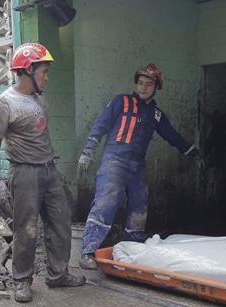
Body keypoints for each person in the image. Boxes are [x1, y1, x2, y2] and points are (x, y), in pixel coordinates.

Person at [0, 42, 85, 303]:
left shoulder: (40, 97)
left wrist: (52, 168)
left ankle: (57, 274)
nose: (47, 77)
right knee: (26, 228)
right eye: (43, 71)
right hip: (24, 174)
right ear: (28, 70)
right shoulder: (5, 102)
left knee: (61, 221)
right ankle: (21, 280)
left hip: (48, 170)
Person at [76, 63, 200, 270]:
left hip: (137, 166)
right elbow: (100, 124)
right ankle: (87, 252)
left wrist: (193, 151)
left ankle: (131, 252)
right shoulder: (120, 101)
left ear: (156, 87)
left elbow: (172, 136)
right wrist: (88, 150)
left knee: (139, 209)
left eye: (149, 84)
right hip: (114, 160)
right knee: (105, 204)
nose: (143, 87)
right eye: (141, 83)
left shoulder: (156, 114)